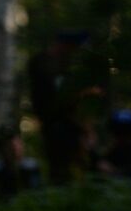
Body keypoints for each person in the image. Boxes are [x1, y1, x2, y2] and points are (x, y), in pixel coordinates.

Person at [27, 30, 96, 183]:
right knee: (60, 171)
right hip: (56, 126)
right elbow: (52, 98)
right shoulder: (42, 63)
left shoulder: (68, 65)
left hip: (73, 127)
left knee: (81, 168)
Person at [0, 125, 41, 199]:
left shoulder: (32, 167)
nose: (14, 149)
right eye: (9, 146)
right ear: (2, 149)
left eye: (17, 144)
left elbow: (36, 191)